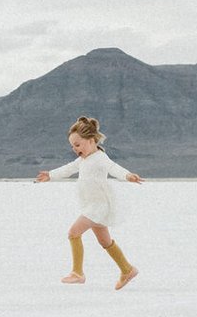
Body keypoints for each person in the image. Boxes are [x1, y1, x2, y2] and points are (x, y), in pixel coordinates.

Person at [34, 114, 142, 289]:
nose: (75, 149)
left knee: (73, 233)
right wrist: (51, 175)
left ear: (91, 140)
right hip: (92, 206)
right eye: (72, 146)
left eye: (78, 144)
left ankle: (78, 273)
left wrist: (127, 175)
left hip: (98, 206)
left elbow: (114, 168)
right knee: (105, 242)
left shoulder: (100, 158)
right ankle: (127, 269)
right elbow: (69, 168)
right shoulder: (83, 159)